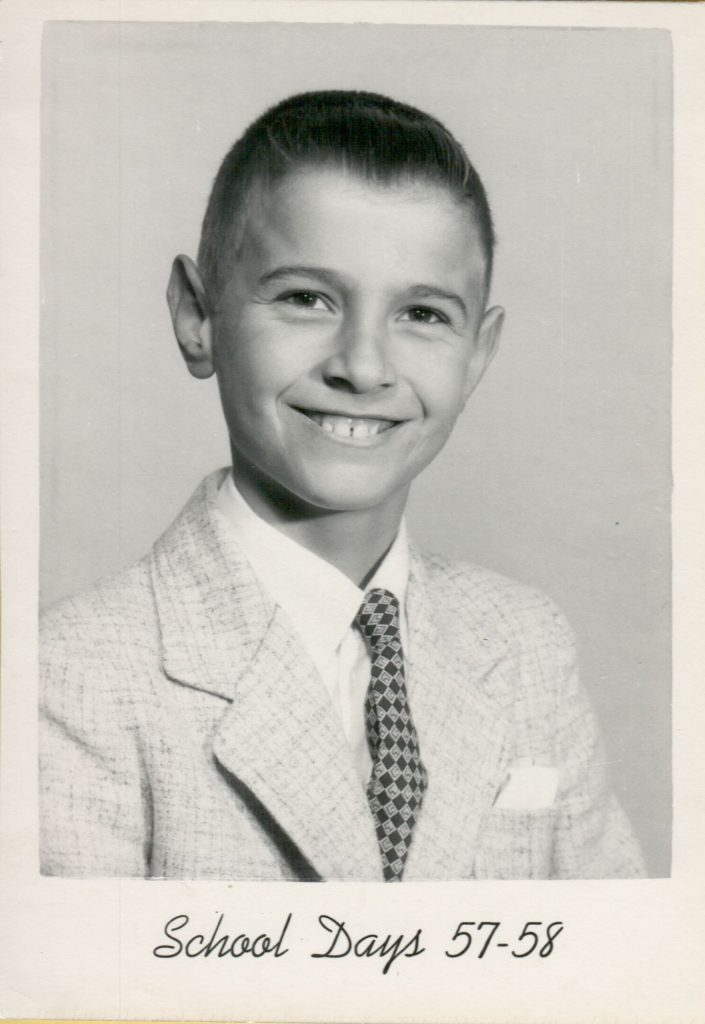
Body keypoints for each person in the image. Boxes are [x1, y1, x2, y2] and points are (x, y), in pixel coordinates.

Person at [39, 90, 645, 881]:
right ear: (198, 317)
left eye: (422, 314)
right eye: (305, 299)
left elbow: (611, 948)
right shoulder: (73, 676)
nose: (362, 367)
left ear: (477, 354)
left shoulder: (526, 644)